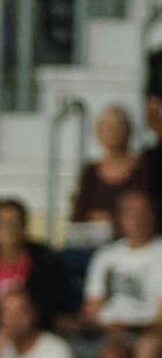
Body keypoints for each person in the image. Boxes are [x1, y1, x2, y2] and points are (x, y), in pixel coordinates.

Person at [80, 190, 162, 358]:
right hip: (107, 333)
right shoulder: (105, 255)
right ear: (120, 218)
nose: (137, 219)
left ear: (153, 215)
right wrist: (110, 330)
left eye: (142, 212)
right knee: (111, 355)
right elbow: (92, 308)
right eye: (130, 213)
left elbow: (160, 318)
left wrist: (127, 328)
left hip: (149, 332)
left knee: (146, 349)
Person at [0, 197, 65, 343]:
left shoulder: (45, 261)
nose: (8, 230)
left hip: (35, 337)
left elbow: (50, 308)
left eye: (14, 224)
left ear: (24, 227)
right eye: (2, 224)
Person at [67, 106, 154, 251]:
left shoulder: (144, 166)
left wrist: (112, 220)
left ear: (128, 131)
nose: (113, 132)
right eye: (107, 127)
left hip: (136, 244)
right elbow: (79, 214)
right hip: (95, 245)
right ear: (98, 133)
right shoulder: (90, 171)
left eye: (118, 127)